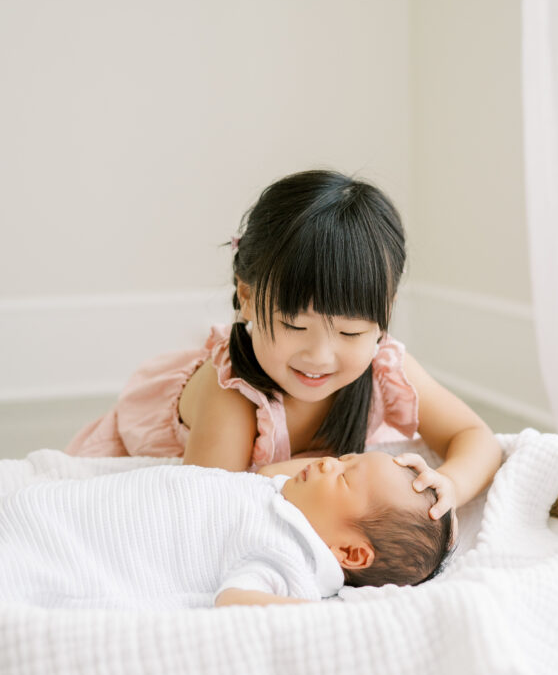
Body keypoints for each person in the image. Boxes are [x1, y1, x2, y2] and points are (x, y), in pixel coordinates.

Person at [65, 169, 502, 520]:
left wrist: (451, 484)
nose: (319, 356)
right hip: (145, 447)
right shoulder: (231, 396)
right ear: (250, 300)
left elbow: (474, 436)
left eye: (350, 333)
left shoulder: (384, 367)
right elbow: (209, 509)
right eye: (294, 325)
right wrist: (288, 473)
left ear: (383, 314)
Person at [0, 453, 453, 611]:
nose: (330, 462)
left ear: (350, 554)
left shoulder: (290, 558)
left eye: (346, 477)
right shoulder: (289, 499)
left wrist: (317, 617)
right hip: (75, 508)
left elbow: (235, 599)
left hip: (73, 543)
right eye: (350, 457)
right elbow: (277, 469)